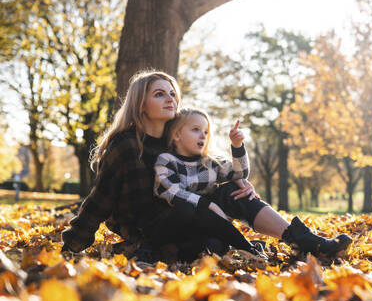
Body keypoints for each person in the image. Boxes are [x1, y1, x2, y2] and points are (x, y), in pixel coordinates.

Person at [61, 69, 351, 263]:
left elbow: (203, 173)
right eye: (159, 94)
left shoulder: (174, 141)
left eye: (172, 93)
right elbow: (101, 198)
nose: (170, 98)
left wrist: (237, 180)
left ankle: (304, 241)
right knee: (201, 225)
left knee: (234, 194)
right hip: (150, 227)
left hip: (190, 214)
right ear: (140, 104)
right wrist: (74, 242)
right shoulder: (125, 145)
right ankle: (226, 247)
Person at [155, 108, 352, 260]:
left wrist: (237, 146)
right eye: (195, 130)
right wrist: (208, 204)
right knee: (211, 246)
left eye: (206, 132)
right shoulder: (167, 160)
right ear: (177, 135)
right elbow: (172, 193)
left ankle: (298, 238)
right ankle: (247, 247)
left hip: (217, 223)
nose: (203, 136)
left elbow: (240, 172)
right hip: (184, 228)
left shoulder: (210, 161)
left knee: (233, 189)